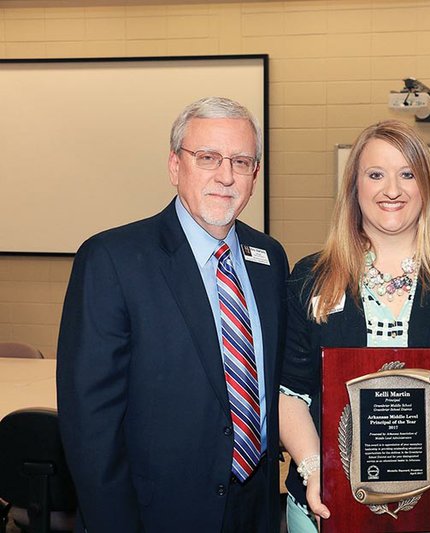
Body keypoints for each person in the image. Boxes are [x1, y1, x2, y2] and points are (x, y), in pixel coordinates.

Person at [56, 96, 288, 532]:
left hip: (254, 507)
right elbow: (90, 424)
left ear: (255, 175)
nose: (226, 175)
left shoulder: (270, 258)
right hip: (154, 512)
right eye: (207, 158)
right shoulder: (112, 259)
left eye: (241, 161)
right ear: (174, 166)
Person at [278, 120, 430, 532]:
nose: (393, 189)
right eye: (376, 174)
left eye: (407, 174)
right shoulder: (312, 277)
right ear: (354, 186)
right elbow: (291, 393)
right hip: (330, 506)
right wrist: (317, 470)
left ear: (425, 185)